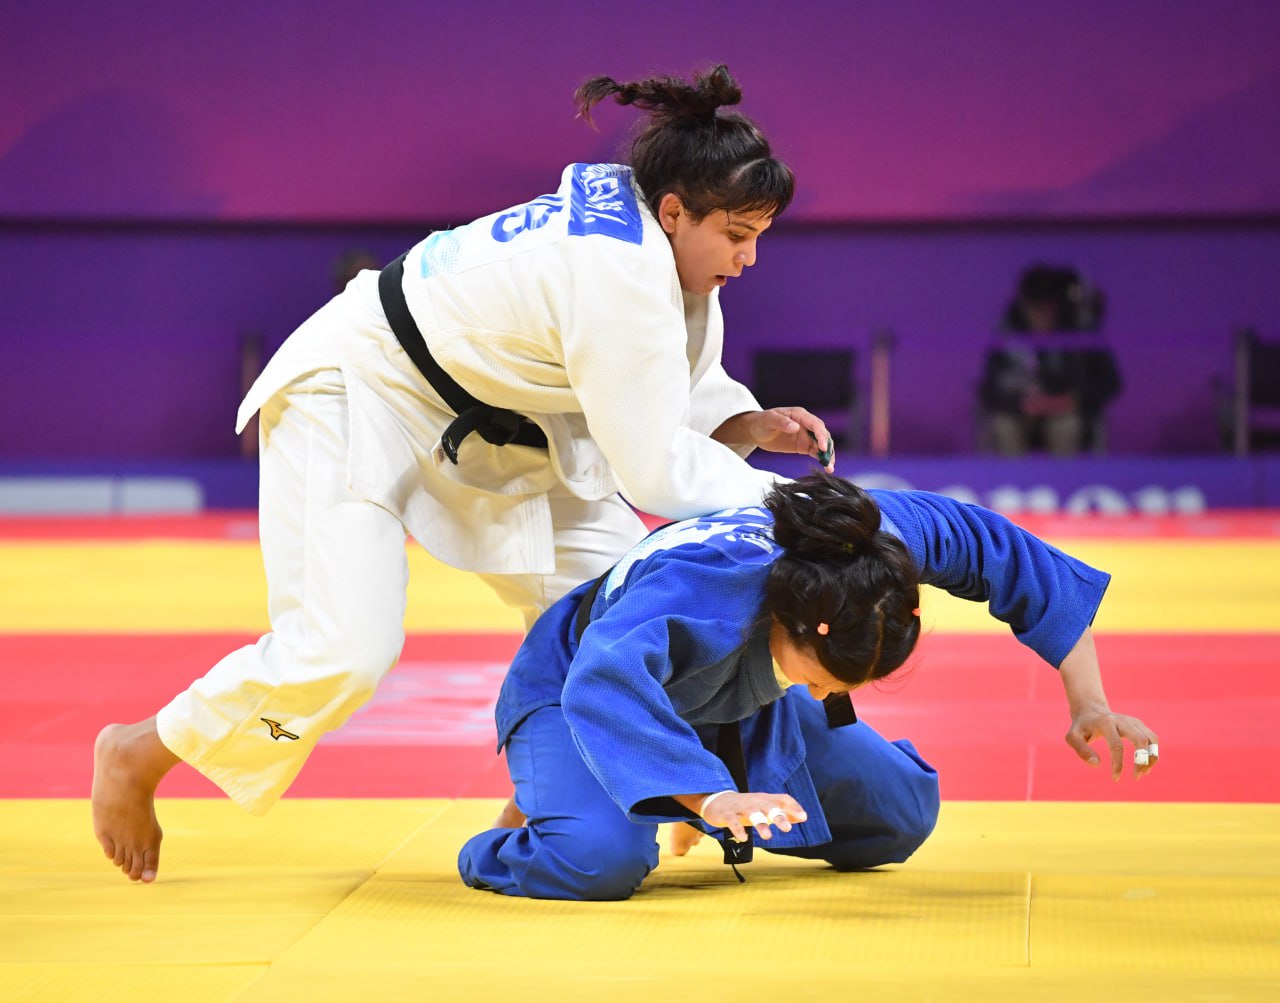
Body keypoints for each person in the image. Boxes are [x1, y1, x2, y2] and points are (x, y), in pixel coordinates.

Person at [91, 65, 836, 883]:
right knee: (344, 650)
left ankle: (550, 792)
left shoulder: (661, 247)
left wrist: (742, 422)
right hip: (360, 390)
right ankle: (145, 747)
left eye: (759, 235)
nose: (749, 256)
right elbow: (653, 466)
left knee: (626, 607)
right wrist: (806, 505)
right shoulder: (617, 268)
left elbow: (664, 381)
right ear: (673, 211)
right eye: (737, 234)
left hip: (500, 424)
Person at [458, 471, 1159, 901]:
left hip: (735, 693)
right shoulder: (704, 586)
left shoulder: (875, 548)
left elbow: (1008, 554)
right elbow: (604, 681)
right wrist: (710, 797)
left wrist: (1089, 701)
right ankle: (519, 832)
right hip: (581, 689)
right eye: (820, 679)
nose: (823, 696)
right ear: (788, 624)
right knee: (598, 860)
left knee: (899, 815)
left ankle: (651, 785)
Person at [979, 263, 1122, 456]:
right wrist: (1020, 404)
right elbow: (988, 389)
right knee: (1005, 426)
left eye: (1048, 308)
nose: (1042, 316)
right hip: (1020, 410)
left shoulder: (1079, 331)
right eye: (1035, 308)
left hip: (1065, 409)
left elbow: (1110, 382)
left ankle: (1065, 476)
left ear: (1058, 306)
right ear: (1024, 305)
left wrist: (1072, 401)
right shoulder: (1007, 332)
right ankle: (1012, 477)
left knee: (1065, 426)